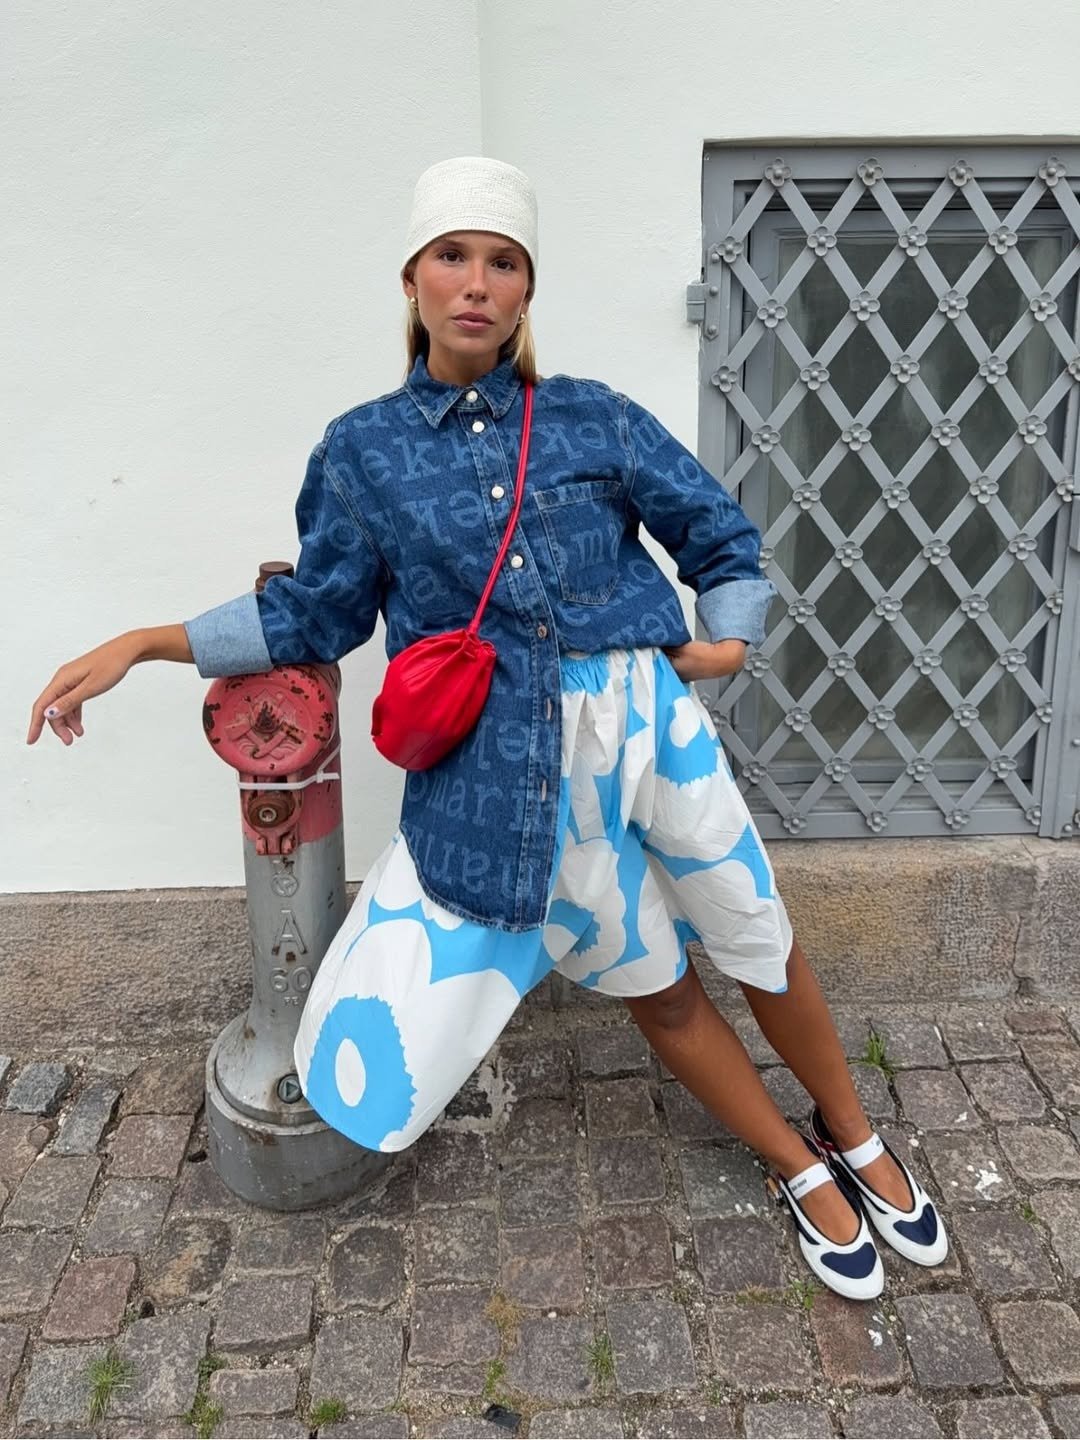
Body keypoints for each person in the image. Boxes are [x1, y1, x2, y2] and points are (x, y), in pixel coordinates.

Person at [27, 155, 947, 1300]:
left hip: (652, 728)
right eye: (452, 256)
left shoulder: (591, 414)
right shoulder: (362, 449)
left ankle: (853, 1132)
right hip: (513, 770)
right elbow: (315, 610)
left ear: (526, 290)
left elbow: (718, 533)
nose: (476, 282)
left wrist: (727, 640)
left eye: (502, 262)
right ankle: (794, 1163)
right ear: (412, 276)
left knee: (757, 930)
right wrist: (141, 644)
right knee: (656, 982)